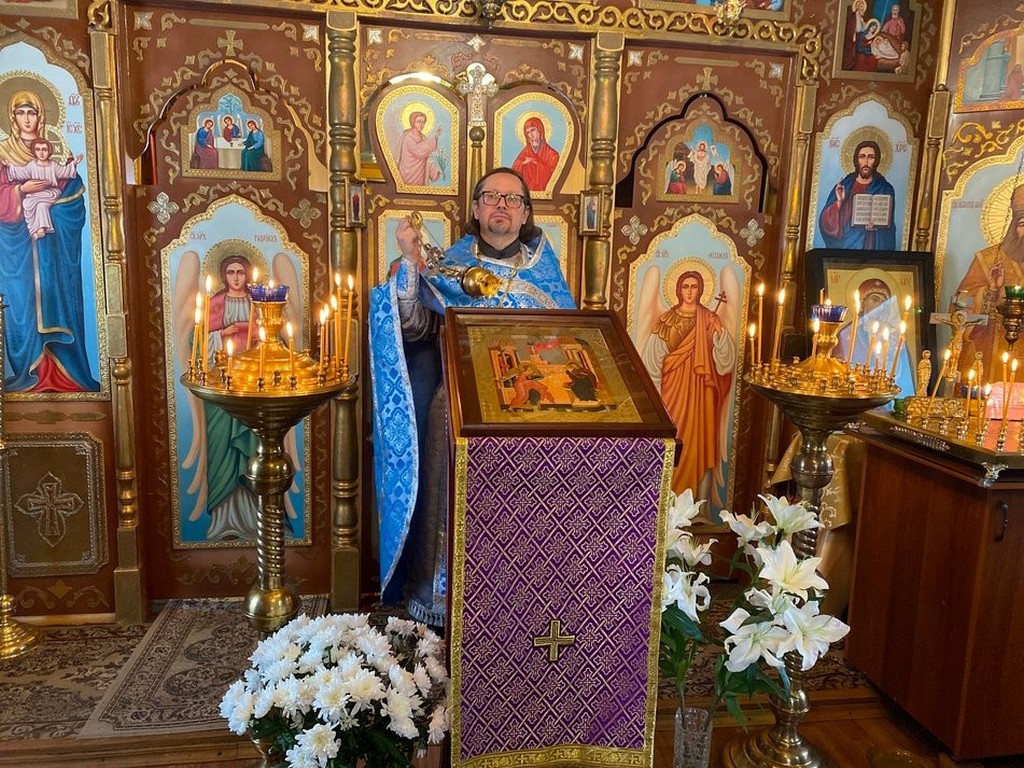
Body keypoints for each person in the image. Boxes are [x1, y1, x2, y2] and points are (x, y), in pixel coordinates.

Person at [369, 167, 575, 627]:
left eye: (513, 199)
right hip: (461, 401)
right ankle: (441, 600)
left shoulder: (546, 270)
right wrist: (409, 262)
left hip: (534, 403)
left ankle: (526, 593)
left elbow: (568, 337)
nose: (502, 205)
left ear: (525, 213)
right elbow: (412, 329)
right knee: (448, 474)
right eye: (492, 196)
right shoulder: (450, 265)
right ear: (477, 209)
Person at [0, 89, 99, 393]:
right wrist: (21, 190)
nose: (26, 119)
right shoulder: (4, 154)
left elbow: (73, 195)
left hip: (53, 251)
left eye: (31, 112)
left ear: (40, 116)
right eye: (20, 113)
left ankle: (64, 374)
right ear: (12, 118)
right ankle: (27, 373)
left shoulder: (55, 153)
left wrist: (55, 207)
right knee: (21, 306)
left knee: (56, 299)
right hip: (16, 248)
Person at [641, 270, 735, 500]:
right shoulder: (668, 320)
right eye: (685, 286)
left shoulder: (710, 318)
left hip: (703, 395)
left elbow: (726, 362)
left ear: (701, 290)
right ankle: (668, 502)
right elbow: (653, 359)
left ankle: (699, 507)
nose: (690, 292)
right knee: (675, 441)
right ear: (678, 290)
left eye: (694, 287)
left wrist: (719, 330)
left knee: (701, 443)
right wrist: (655, 399)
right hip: (673, 393)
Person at [202, 254, 260, 540]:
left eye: (240, 272)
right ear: (224, 275)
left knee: (254, 451)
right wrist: (222, 333)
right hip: (221, 386)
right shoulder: (214, 303)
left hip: (253, 383)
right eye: (230, 272)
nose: (236, 277)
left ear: (247, 274)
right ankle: (223, 520)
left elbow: (275, 338)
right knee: (222, 449)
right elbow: (197, 340)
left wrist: (261, 339)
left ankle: (258, 518)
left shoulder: (258, 302)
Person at [953, 183, 1024, 383]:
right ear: (1013, 226)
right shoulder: (987, 260)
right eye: (1023, 224)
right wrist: (990, 291)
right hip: (989, 358)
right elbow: (959, 304)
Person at [817, 139, 897, 250]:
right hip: (845, 245)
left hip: (871, 245)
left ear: (876, 160)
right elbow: (825, 223)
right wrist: (839, 202)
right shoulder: (844, 186)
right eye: (862, 157)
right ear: (856, 160)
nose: (866, 162)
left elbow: (889, 229)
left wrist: (877, 228)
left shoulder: (885, 188)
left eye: (871, 157)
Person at [2, 137, 82, 240]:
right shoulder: (32, 165)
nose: (41, 153)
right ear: (34, 151)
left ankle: (42, 229)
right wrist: (9, 165)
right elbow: (21, 172)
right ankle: (33, 230)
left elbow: (64, 172)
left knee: (42, 205)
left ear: (49, 151)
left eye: (44, 150)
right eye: (38, 149)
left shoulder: (53, 165)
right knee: (27, 203)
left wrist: (74, 163)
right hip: (35, 194)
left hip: (50, 192)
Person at [511, 116, 560, 191]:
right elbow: (514, 170)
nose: (531, 135)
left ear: (540, 130)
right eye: (528, 132)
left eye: (533, 130)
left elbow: (554, 176)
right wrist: (524, 163)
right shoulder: (526, 152)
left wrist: (535, 163)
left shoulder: (552, 155)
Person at [397, 110, 441, 186]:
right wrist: (434, 137)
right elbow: (418, 151)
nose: (421, 125)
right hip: (408, 172)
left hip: (420, 174)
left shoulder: (423, 137)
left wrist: (435, 171)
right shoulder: (408, 136)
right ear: (413, 122)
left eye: (423, 122)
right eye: (418, 122)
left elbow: (427, 157)